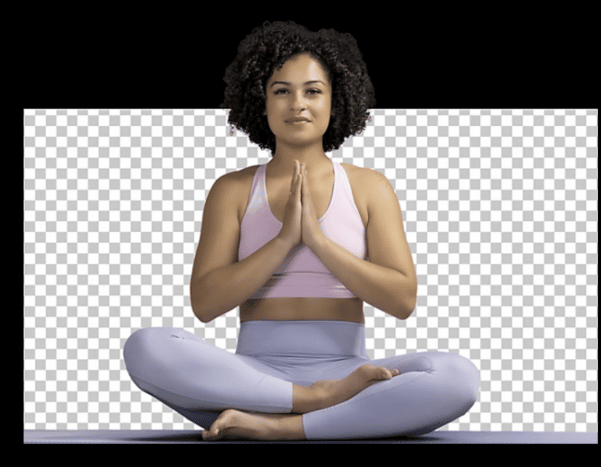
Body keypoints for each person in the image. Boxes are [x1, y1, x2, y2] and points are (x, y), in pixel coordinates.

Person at [123, 21, 480, 441]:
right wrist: (283, 242)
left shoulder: (369, 187)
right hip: (251, 382)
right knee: (145, 346)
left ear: (335, 100)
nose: (298, 104)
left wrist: (317, 240)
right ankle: (309, 406)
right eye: (281, 90)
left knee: (457, 377)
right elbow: (205, 302)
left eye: (313, 91)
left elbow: (401, 299)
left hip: (349, 375)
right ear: (261, 101)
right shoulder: (233, 190)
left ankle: (279, 428)